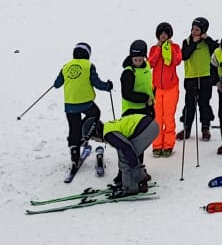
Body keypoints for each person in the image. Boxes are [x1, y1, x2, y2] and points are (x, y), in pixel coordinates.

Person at [101, 39, 159, 195]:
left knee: (139, 147)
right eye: (135, 60)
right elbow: (127, 94)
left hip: (145, 110)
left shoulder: (147, 68)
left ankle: (135, 174)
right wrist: (144, 98)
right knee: (131, 147)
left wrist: (151, 103)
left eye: (140, 59)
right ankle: (131, 176)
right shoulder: (128, 72)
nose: (138, 62)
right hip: (131, 112)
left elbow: (149, 86)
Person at [53, 42, 112, 172]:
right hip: (86, 102)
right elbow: (96, 83)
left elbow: (57, 84)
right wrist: (107, 86)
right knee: (95, 114)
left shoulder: (66, 66)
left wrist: (59, 80)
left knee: (74, 128)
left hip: (70, 104)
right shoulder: (88, 66)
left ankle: (75, 157)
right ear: (88, 54)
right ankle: (84, 134)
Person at [179, 18, 215, 142]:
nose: (194, 32)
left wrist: (207, 39)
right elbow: (184, 55)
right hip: (191, 78)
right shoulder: (187, 41)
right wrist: (194, 43)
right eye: (193, 29)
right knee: (189, 104)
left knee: (204, 104)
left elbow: (217, 50)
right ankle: (187, 127)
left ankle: (205, 127)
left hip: (205, 77)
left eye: (197, 30)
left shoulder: (207, 43)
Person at [148, 23, 181, 157]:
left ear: (169, 35)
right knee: (157, 119)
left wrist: (169, 49)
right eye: (161, 33)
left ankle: (168, 145)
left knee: (168, 118)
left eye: (165, 33)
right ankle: (156, 145)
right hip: (157, 89)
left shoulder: (175, 47)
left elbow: (177, 60)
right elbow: (150, 63)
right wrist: (158, 50)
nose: (163, 35)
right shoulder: (153, 48)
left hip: (171, 88)